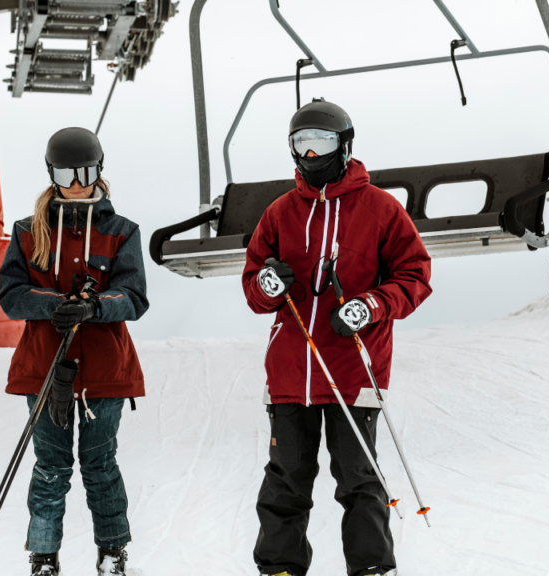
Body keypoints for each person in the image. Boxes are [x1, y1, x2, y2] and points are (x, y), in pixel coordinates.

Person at [241, 99, 433, 576]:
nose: (311, 156)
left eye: (321, 143)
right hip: (291, 373)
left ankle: (371, 569)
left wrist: (370, 305)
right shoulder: (280, 213)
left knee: (358, 479)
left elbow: (416, 276)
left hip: (352, 369)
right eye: (301, 144)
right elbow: (252, 284)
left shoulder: (381, 209)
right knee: (286, 480)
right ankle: (280, 569)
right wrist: (267, 285)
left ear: (344, 146)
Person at [0, 127, 148, 576]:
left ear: (99, 170)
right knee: (51, 464)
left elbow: (134, 297)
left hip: (104, 370)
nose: (77, 181)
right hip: (46, 365)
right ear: (52, 174)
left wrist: (95, 306)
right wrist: (55, 306)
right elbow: (11, 295)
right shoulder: (29, 231)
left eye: (85, 171)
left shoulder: (121, 231)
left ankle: (112, 551)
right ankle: (43, 556)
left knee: (99, 463)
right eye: (66, 172)